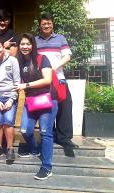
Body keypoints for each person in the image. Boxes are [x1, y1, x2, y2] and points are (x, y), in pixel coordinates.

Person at [15, 33, 58, 180]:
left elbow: (47, 80)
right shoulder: (19, 62)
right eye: (22, 44)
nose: (25, 47)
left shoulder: (42, 59)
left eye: (28, 44)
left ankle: (47, 167)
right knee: (25, 130)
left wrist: (25, 85)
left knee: (45, 132)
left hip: (48, 100)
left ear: (33, 45)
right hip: (31, 101)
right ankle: (34, 150)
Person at [35, 12, 78, 149]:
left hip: (59, 78)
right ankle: (49, 135)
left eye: (49, 23)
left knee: (65, 106)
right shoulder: (35, 41)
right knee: (46, 108)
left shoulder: (60, 38)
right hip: (44, 80)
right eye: (43, 24)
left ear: (52, 24)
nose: (46, 25)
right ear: (40, 25)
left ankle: (64, 138)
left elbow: (67, 57)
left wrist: (52, 68)